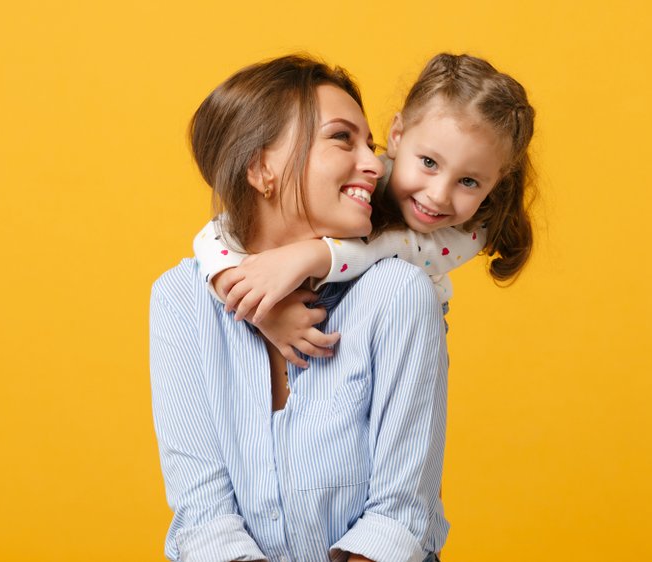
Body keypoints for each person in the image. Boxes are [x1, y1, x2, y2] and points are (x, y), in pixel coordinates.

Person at [150, 55, 449, 562]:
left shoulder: (399, 293)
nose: (376, 166)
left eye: (372, 145)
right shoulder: (181, 299)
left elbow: (399, 517)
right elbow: (203, 517)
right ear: (261, 167)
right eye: (341, 138)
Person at [192, 53, 536, 365]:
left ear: (496, 182)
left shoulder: (471, 229)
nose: (438, 196)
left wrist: (313, 255)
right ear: (397, 135)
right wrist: (261, 311)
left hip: (396, 331)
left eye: (469, 182)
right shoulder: (369, 176)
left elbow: (402, 247)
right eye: (429, 162)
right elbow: (216, 235)